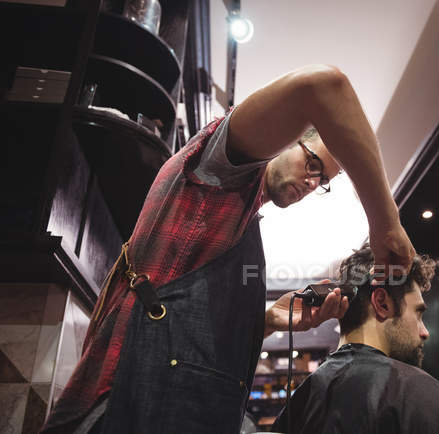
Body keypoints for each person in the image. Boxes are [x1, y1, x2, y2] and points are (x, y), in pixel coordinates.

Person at [41, 64, 415, 434]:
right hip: (125, 407)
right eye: (313, 163)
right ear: (283, 140)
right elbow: (324, 86)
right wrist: (385, 221)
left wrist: (266, 322)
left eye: (323, 182)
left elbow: (190, 325)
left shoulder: (246, 218)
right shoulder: (218, 172)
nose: (311, 181)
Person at [272, 244, 439, 434]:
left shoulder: (303, 398)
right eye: (418, 313)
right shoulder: (411, 390)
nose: (424, 331)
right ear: (382, 303)